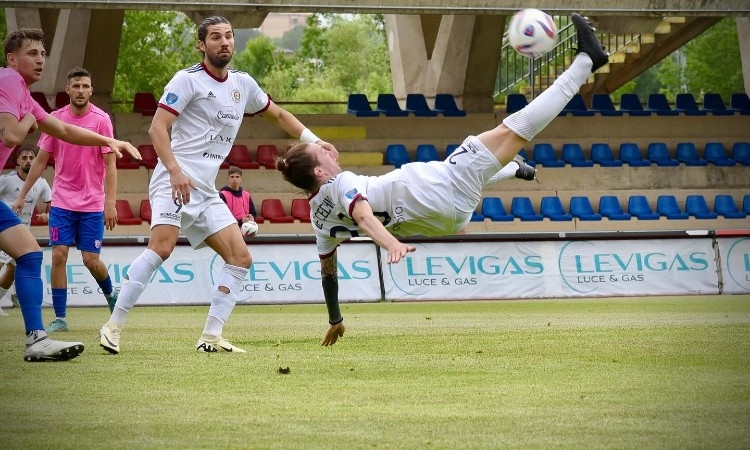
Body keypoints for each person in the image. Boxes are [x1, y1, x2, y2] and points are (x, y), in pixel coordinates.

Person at [275, 13, 609, 347]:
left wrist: (335, 318)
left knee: (482, 160)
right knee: (514, 128)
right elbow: (362, 215)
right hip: (441, 189)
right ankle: (585, 62)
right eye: (321, 153)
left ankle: (512, 169)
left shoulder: (318, 216)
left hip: (444, 214)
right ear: (319, 172)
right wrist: (389, 244)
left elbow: (327, 271)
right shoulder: (342, 183)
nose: (328, 150)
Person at [98, 16, 338, 355]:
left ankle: (211, 337)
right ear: (202, 44)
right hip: (173, 178)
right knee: (162, 247)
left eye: (228, 36)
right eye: (215, 37)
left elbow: (280, 115)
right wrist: (175, 170)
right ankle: (113, 326)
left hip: (206, 190)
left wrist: (316, 143)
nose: (224, 42)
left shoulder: (243, 84)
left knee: (240, 257)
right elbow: (156, 130)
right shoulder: (187, 80)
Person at [1, 28, 140, 361]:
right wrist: (29, 122)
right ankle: (46, 329)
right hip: (65, 202)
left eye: (43, 53)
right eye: (32, 53)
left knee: (31, 254)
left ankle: (37, 339)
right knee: (44, 255)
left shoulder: (25, 95)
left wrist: (109, 142)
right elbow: (10, 136)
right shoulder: (8, 80)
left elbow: (64, 131)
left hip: (90, 204)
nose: (39, 59)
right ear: (11, 59)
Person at [13, 67, 120, 333]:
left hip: (93, 203)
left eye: (85, 86)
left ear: (91, 90)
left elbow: (111, 165)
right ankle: (60, 317)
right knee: (59, 255)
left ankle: (111, 296)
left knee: (90, 260)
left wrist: (110, 202)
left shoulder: (102, 119)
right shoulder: (54, 120)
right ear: (68, 90)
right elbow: (40, 161)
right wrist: (23, 195)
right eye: (76, 86)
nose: (81, 91)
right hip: (62, 201)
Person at [0, 146, 52, 317]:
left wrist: (47, 214)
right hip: (5, 231)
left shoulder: (41, 183)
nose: (28, 161)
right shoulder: (6, 180)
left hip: (24, 234)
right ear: (18, 161)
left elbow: (50, 201)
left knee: (12, 270)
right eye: (24, 158)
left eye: (32, 157)